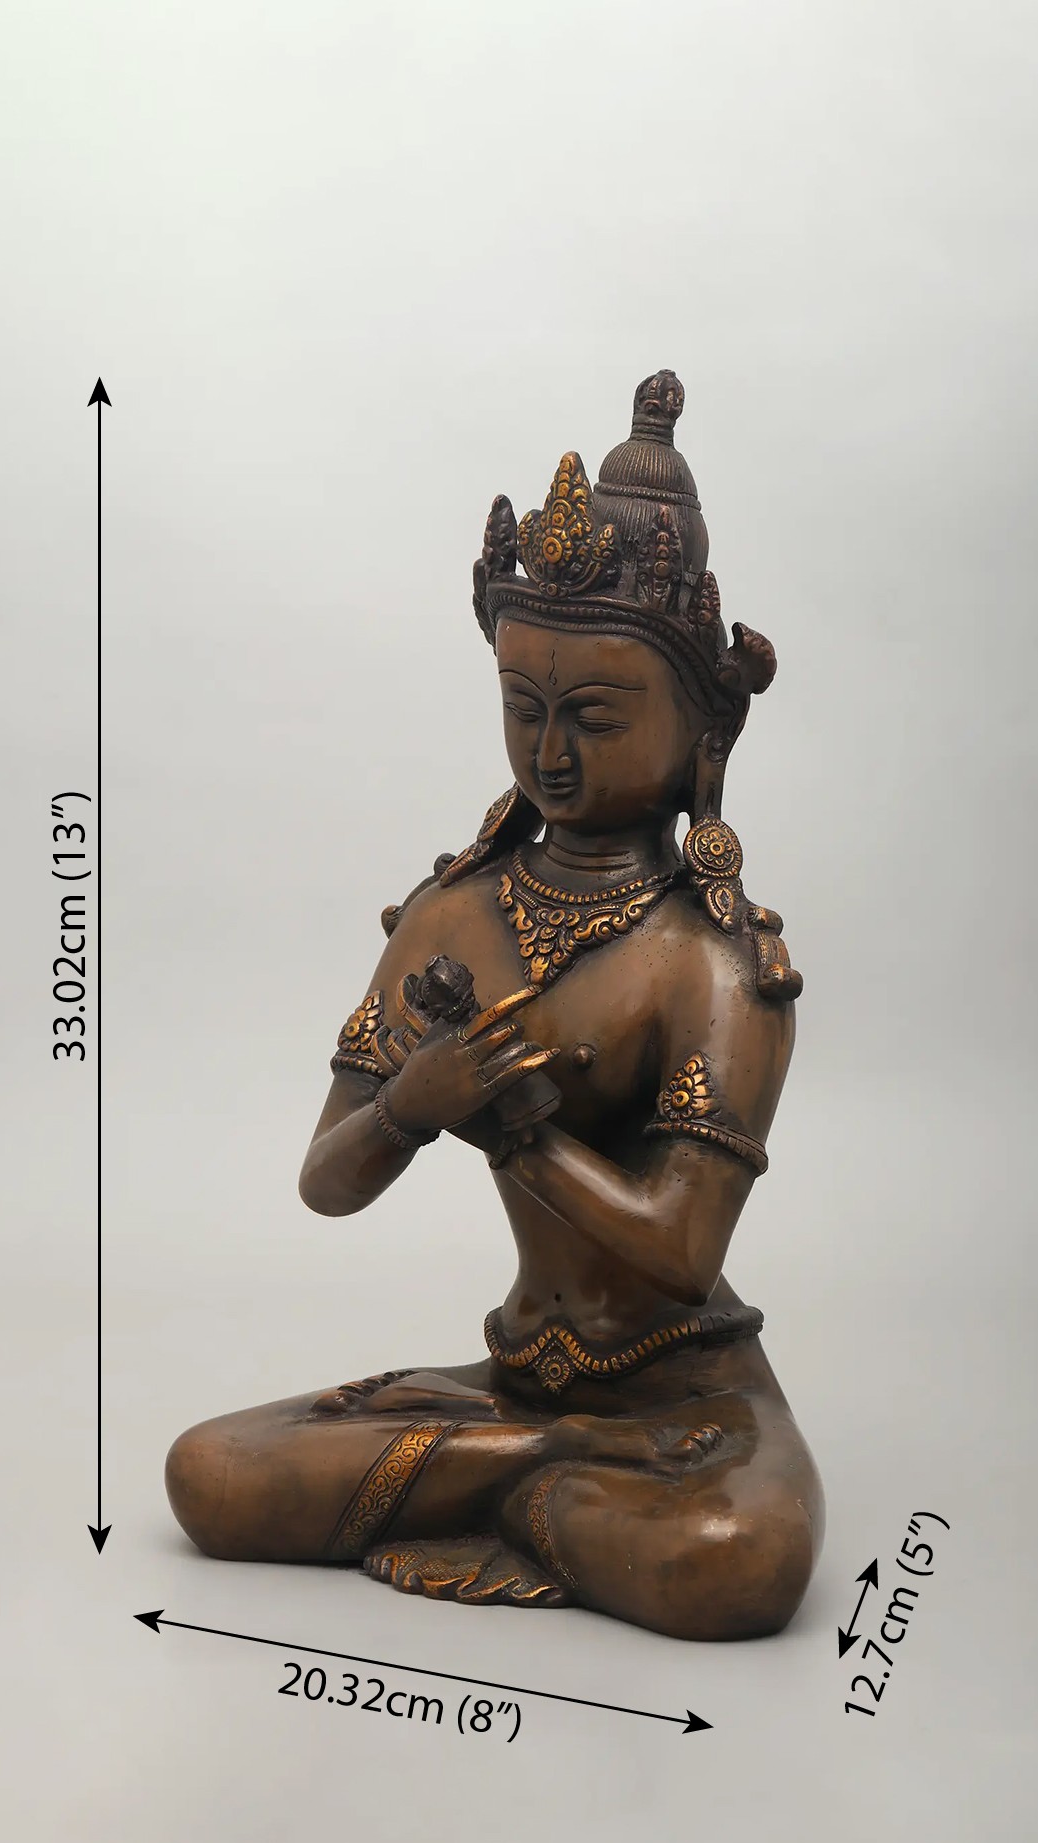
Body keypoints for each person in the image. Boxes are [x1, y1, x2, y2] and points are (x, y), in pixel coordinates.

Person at [166, 370, 822, 1641]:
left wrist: (513, 1125)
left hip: (689, 1397)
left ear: (703, 733)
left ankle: (513, 1476)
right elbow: (327, 1182)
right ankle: (544, 1470)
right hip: (517, 1374)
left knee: (742, 1559)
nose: (552, 753)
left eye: (595, 716)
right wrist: (410, 1106)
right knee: (212, 1472)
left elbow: (682, 1250)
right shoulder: (450, 915)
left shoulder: (717, 962)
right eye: (525, 709)